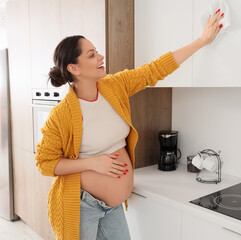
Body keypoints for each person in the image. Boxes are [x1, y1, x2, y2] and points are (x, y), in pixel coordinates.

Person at [35, 9, 224, 240]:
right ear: (74, 68)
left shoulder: (114, 86)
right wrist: (94, 163)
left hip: (112, 206)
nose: (101, 57)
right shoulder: (62, 114)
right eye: (92, 55)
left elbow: (154, 70)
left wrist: (202, 41)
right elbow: (46, 163)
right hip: (83, 205)